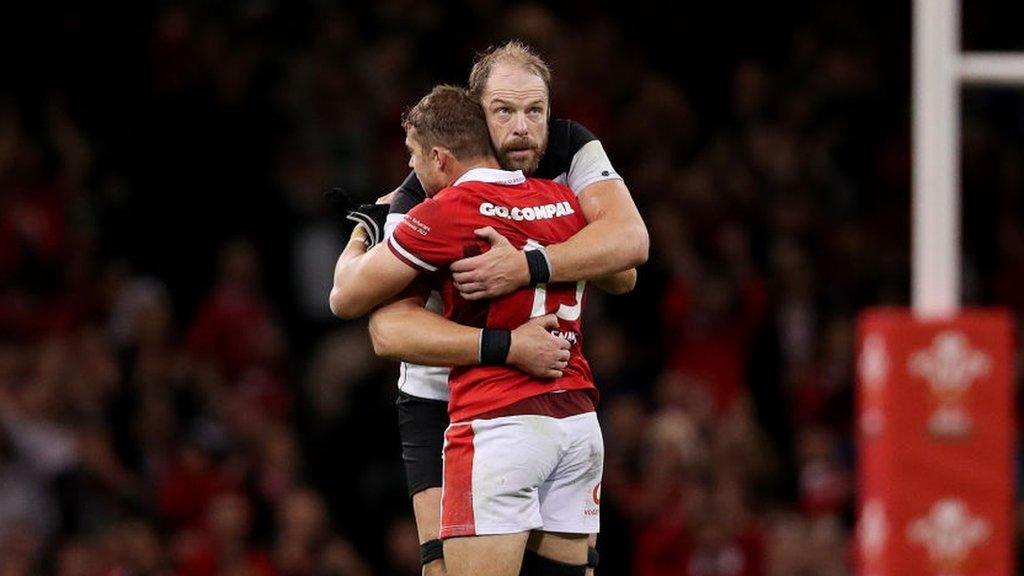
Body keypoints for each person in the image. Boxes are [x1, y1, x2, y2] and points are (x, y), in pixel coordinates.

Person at [360, 41, 647, 576]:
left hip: (532, 402)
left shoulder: (570, 148)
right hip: (441, 396)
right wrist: (506, 346)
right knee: (441, 568)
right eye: (504, 111)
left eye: (534, 110)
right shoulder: (425, 186)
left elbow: (627, 258)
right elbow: (384, 325)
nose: (521, 127)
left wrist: (529, 263)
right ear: (476, 114)